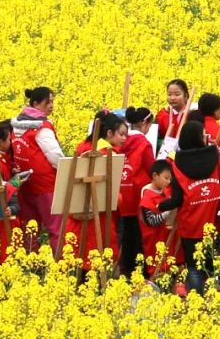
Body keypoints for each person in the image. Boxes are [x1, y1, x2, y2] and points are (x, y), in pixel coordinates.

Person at [158, 121, 220, 296]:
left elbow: (177, 199)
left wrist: (161, 205)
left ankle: (197, 304)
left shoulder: (176, 163)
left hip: (190, 226)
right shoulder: (216, 157)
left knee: (194, 268)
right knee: (218, 261)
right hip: (215, 222)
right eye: (203, 134)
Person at [64, 113, 126, 271]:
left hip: (78, 209)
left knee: (78, 254)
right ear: (109, 133)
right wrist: (116, 199)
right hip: (99, 213)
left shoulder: (84, 146)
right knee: (96, 254)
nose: (124, 139)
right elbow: (110, 193)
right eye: (121, 134)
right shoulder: (107, 154)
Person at [12, 86, 63, 256]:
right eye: (47, 102)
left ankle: (29, 260)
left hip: (24, 183)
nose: (51, 105)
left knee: (30, 227)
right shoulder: (42, 128)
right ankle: (60, 263)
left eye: (52, 102)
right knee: (55, 226)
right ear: (35, 104)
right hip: (45, 185)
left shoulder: (16, 125)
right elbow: (55, 157)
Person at [117, 107, 156, 277]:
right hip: (137, 195)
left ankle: (124, 268)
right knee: (138, 235)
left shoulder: (119, 141)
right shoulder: (143, 144)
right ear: (145, 124)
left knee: (123, 234)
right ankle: (140, 270)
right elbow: (152, 169)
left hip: (120, 194)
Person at [139, 159, 181, 279]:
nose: (168, 182)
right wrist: (168, 212)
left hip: (165, 240)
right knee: (156, 269)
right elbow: (151, 221)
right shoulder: (147, 198)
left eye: (170, 179)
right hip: (153, 243)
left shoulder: (165, 195)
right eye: (166, 178)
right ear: (155, 176)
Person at [155, 79, 190, 154]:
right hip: (165, 155)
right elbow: (155, 139)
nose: (172, 98)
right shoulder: (162, 115)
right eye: (169, 94)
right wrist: (164, 143)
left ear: (186, 96)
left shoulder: (192, 115)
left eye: (177, 94)